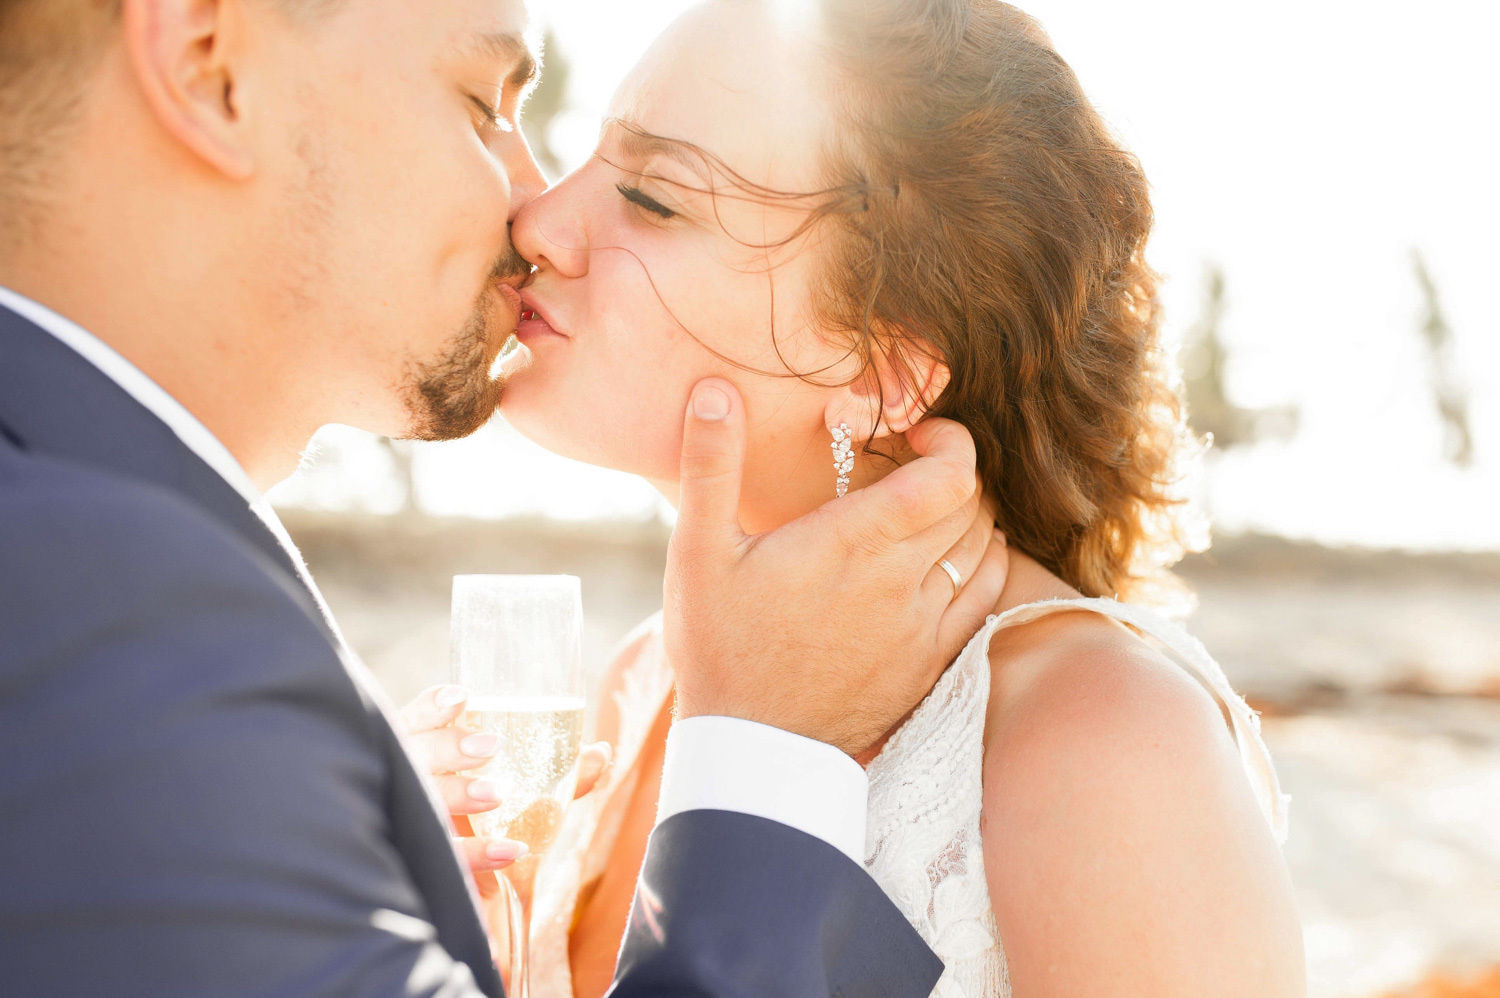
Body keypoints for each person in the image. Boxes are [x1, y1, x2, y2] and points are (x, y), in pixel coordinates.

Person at [0, 0, 1008, 995]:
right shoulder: (93, 608)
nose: (531, 204)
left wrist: (359, 870)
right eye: (482, 104)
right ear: (209, 62)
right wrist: (768, 764)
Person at [418, 1, 1308, 995]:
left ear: (885, 367)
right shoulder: (649, 679)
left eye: (656, 197)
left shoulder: (1111, 741)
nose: (538, 219)